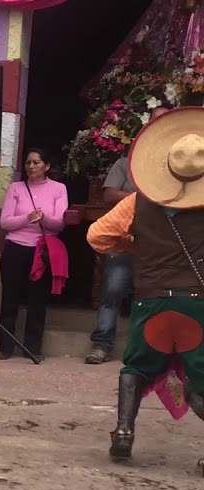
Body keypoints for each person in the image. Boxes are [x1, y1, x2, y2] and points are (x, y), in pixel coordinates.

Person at [87, 108, 204, 468]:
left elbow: (97, 236)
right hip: (198, 305)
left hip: (151, 302)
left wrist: (136, 244)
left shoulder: (136, 202)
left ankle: (123, 431)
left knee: (136, 367)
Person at [86, 106, 173, 364]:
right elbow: (109, 194)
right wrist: (145, 199)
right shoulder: (126, 162)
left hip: (157, 245)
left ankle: (143, 351)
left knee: (149, 299)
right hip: (124, 241)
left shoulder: (176, 164)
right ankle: (101, 346)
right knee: (112, 292)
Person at [0, 148, 68, 360]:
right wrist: (27, 218)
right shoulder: (16, 188)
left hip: (41, 251)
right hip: (15, 249)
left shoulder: (59, 189)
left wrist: (43, 218)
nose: (31, 166)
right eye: (28, 163)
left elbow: (59, 224)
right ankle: (4, 347)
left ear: (46, 166)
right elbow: (5, 222)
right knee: (9, 299)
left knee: (37, 301)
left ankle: (32, 348)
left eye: (37, 162)